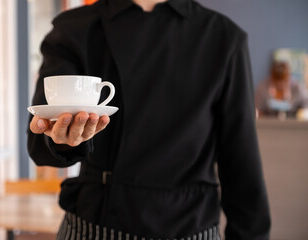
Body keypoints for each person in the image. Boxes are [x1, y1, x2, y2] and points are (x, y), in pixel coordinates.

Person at [28, 0, 271, 239]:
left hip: (190, 226)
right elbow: (42, 133)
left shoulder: (223, 38)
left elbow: (241, 161)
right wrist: (63, 138)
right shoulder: (74, 28)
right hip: (94, 224)